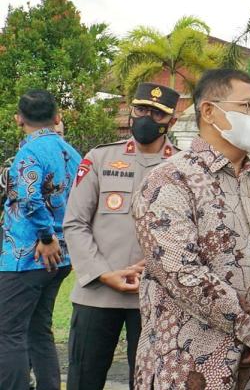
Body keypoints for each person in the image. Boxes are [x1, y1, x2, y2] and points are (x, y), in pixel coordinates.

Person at [132, 69, 250, 390]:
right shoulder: (170, 179)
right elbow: (180, 272)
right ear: (209, 111)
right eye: (248, 106)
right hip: (191, 366)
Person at [63, 83, 180, 390]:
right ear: (131, 111)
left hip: (157, 298)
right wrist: (102, 274)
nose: (146, 118)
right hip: (97, 294)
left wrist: (156, 266)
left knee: (149, 383)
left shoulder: (184, 167)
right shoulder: (100, 159)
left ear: (172, 122)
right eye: (141, 109)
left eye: (157, 113)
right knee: (83, 380)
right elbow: (75, 222)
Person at [0, 89, 81, 390]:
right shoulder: (72, 153)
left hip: (27, 255)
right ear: (57, 116)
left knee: (8, 332)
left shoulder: (29, 153)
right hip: (62, 257)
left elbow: (29, 198)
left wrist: (46, 236)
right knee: (39, 331)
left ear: (19, 118)